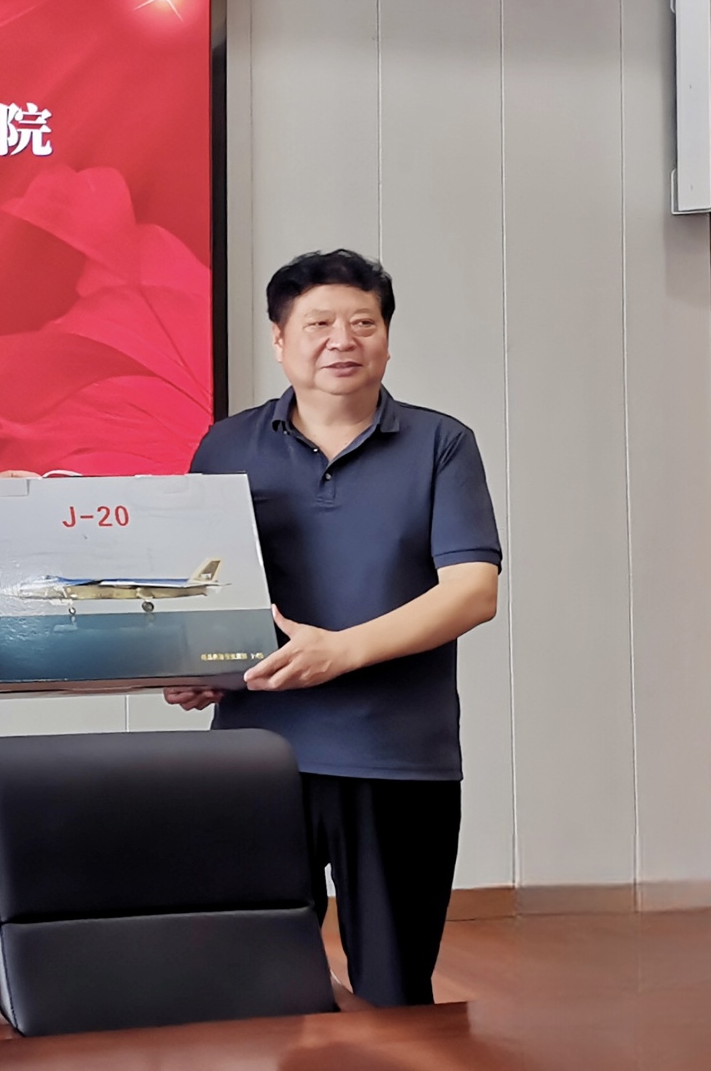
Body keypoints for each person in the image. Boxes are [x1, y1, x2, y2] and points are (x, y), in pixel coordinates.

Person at [167, 249, 501, 1007]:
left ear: (387, 337)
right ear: (280, 339)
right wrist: (194, 667)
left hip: (397, 761)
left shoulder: (441, 444)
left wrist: (340, 652)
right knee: (256, 987)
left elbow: (472, 592)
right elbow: (202, 590)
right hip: (255, 754)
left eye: (363, 323)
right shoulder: (226, 446)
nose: (342, 341)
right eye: (318, 324)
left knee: (395, 990)